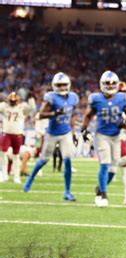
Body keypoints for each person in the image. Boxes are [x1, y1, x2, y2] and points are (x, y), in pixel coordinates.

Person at [81, 71, 126, 207]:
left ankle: (99, 190)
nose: (111, 85)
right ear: (102, 84)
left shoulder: (122, 98)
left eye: (113, 83)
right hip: (102, 135)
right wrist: (84, 129)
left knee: (113, 168)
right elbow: (88, 115)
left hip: (116, 136)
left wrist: (124, 124)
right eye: (108, 83)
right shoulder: (96, 99)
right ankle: (103, 195)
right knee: (105, 164)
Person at [24, 73, 78, 201]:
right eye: (59, 85)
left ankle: (67, 191)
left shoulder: (73, 97)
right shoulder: (51, 97)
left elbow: (73, 114)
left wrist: (73, 131)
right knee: (44, 160)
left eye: (64, 85)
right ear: (54, 86)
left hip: (66, 133)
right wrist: (54, 113)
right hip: (52, 133)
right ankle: (30, 178)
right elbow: (41, 114)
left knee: (68, 160)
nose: (62, 87)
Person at [0, 92, 36, 183]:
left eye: (14, 101)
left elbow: (32, 108)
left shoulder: (22, 107)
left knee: (16, 155)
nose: (12, 102)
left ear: (17, 101)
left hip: (17, 134)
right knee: (3, 154)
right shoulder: (4, 106)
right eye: (11, 101)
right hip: (6, 133)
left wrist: (31, 99)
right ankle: (4, 175)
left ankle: (16, 176)